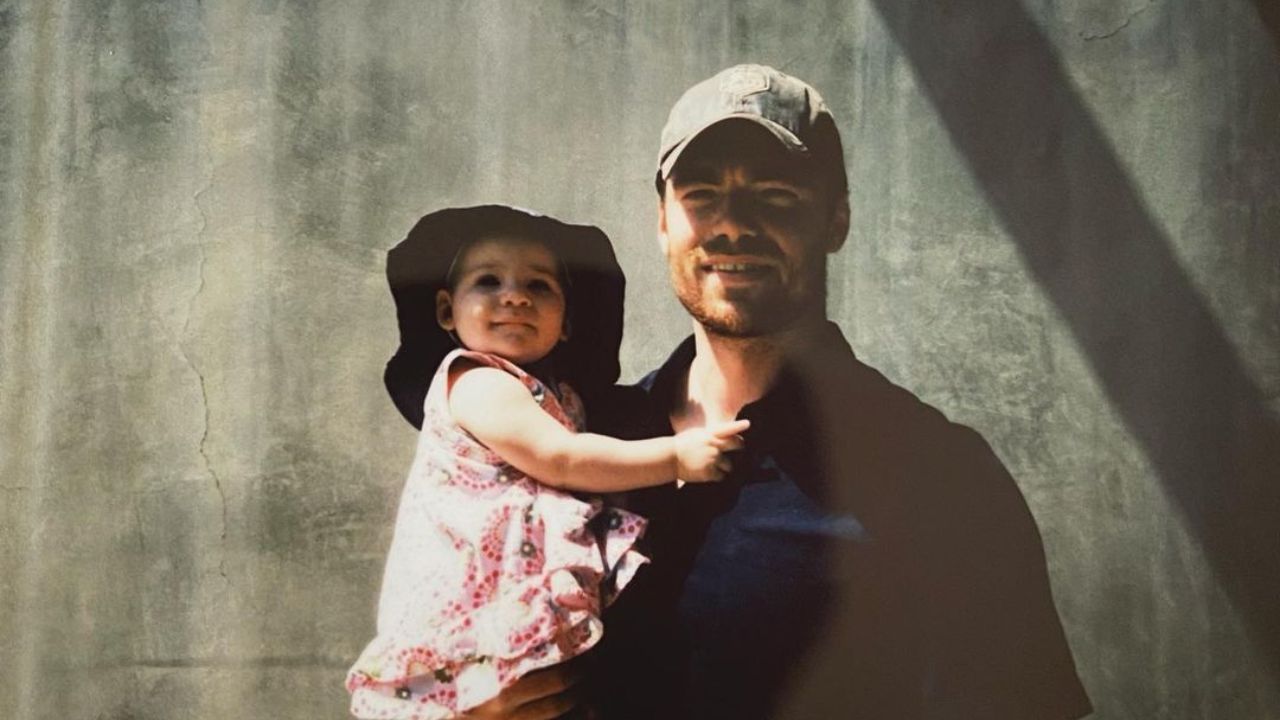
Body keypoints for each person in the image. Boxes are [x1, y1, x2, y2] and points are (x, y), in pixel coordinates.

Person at [578, 64, 1093, 718]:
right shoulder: (586, 440)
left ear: (837, 220)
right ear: (661, 221)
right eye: (702, 193)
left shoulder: (940, 476)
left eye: (775, 195)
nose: (732, 224)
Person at [344, 205, 749, 720]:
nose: (514, 296)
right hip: (472, 608)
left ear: (566, 324)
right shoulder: (474, 379)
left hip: (519, 608)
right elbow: (559, 458)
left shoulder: (566, 399)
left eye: (538, 287)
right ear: (447, 311)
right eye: (488, 281)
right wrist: (675, 457)